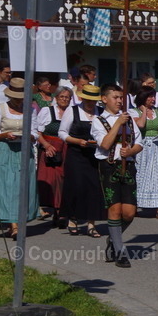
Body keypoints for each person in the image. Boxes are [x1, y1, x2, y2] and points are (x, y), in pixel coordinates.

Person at [90, 84, 143, 267]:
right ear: (104, 99)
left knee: (129, 213)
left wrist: (131, 151)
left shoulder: (129, 119)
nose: (120, 101)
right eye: (115, 97)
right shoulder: (98, 120)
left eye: (121, 97)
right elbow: (104, 144)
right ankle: (120, 252)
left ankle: (113, 239)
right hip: (109, 166)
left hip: (128, 166)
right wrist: (118, 123)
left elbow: (139, 143)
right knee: (114, 209)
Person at [0, 78, 39, 237]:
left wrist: (31, 137)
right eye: (16, 98)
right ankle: (14, 224)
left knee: (21, 187)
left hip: (24, 150)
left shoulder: (30, 110)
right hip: (5, 149)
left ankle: (19, 221)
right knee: (7, 186)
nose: (19, 101)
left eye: (21, 98)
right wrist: (4, 135)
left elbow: (35, 132)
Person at [59, 85, 106, 237]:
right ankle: (73, 218)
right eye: (88, 100)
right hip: (76, 154)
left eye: (93, 101)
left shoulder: (101, 112)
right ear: (82, 98)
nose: (91, 103)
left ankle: (92, 223)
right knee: (76, 186)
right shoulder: (72, 110)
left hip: (95, 154)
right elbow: (62, 132)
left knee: (94, 188)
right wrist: (77, 141)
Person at [130, 85, 158, 219]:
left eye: (153, 96)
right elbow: (141, 125)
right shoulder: (134, 112)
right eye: (150, 97)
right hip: (142, 146)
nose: (153, 99)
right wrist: (143, 111)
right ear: (142, 98)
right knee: (142, 175)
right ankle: (135, 204)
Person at [34, 86, 72, 225]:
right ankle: (54, 209)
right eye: (61, 96)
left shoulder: (72, 112)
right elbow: (37, 131)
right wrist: (46, 145)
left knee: (63, 180)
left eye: (67, 97)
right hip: (49, 149)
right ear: (56, 98)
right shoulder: (47, 111)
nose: (64, 99)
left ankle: (61, 212)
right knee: (51, 181)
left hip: (66, 148)